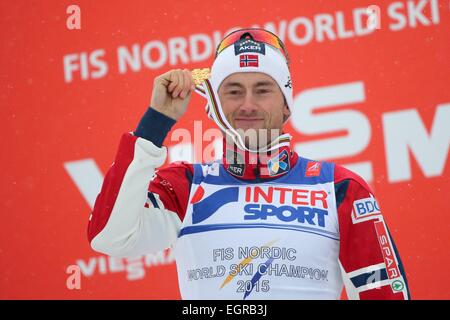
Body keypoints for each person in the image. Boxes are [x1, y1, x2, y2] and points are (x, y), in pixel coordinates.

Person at [87, 28, 410, 300]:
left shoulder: (339, 187)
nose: (248, 104)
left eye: (263, 89)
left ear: (287, 104)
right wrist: (155, 123)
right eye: (233, 91)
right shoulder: (185, 185)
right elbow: (109, 236)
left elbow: (382, 293)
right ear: (214, 104)